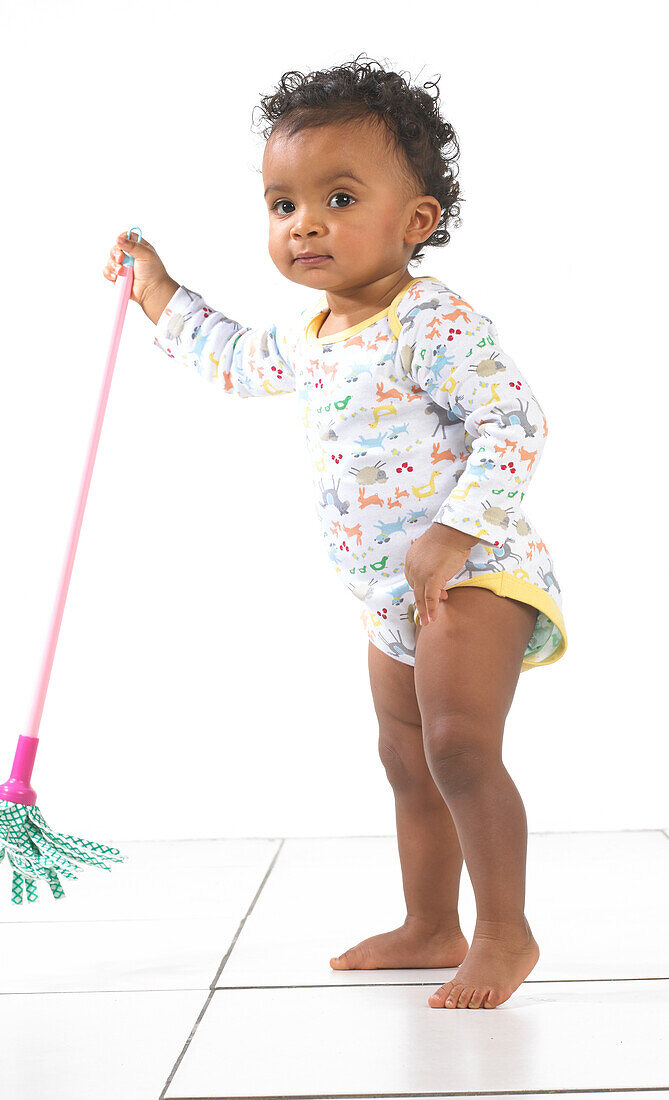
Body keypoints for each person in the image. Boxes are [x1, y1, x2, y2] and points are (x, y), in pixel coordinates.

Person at [102, 54, 568, 1010]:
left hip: (473, 570)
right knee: (404, 757)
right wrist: (156, 287)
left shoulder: (427, 322)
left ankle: (505, 932)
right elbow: (230, 358)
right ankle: (429, 923)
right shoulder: (314, 336)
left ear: (415, 223)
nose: (304, 222)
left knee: (458, 748)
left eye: (339, 196)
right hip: (387, 598)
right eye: (282, 204)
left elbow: (514, 420)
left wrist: (452, 533)